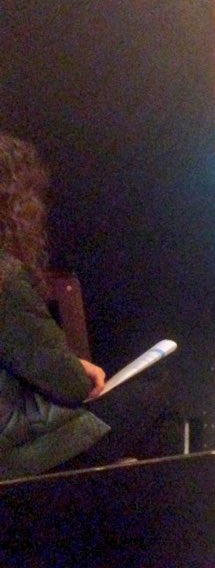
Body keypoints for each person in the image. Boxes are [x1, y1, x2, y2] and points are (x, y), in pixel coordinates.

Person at [0, 133, 180, 478]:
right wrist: (76, 370)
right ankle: (175, 504)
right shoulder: (6, 280)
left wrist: (70, 367)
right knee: (156, 396)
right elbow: (70, 386)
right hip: (16, 455)